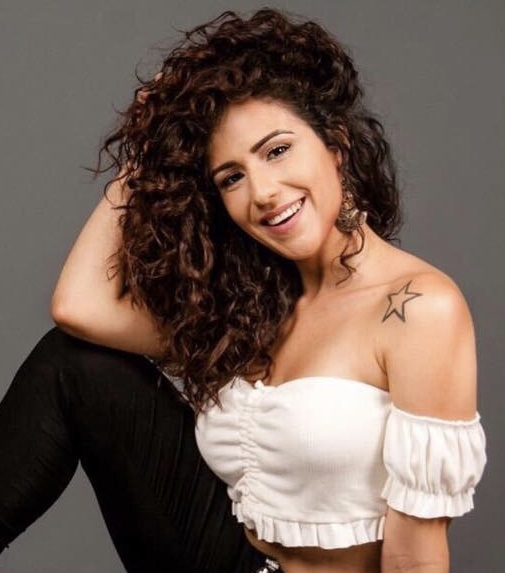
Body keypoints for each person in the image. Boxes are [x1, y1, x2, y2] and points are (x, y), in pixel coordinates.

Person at [0, 8, 487, 573]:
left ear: (336, 147)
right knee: (73, 364)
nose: (263, 192)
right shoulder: (254, 309)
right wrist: (144, 156)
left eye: (277, 151)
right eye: (231, 177)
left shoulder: (419, 309)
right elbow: (79, 308)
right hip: (234, 560)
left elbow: (416, 558)